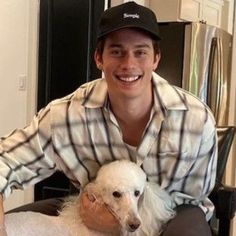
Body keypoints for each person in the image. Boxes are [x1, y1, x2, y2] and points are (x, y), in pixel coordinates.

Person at [0, 2, 217, 236]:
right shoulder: (64, 115)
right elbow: (7, 160)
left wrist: (119, 224)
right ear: (98, 58)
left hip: (173, 215)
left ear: (156, 58)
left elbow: (192, 199)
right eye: (116, 51)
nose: (129, 64)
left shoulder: (197, 119)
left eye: (140, 52)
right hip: (90, 210)